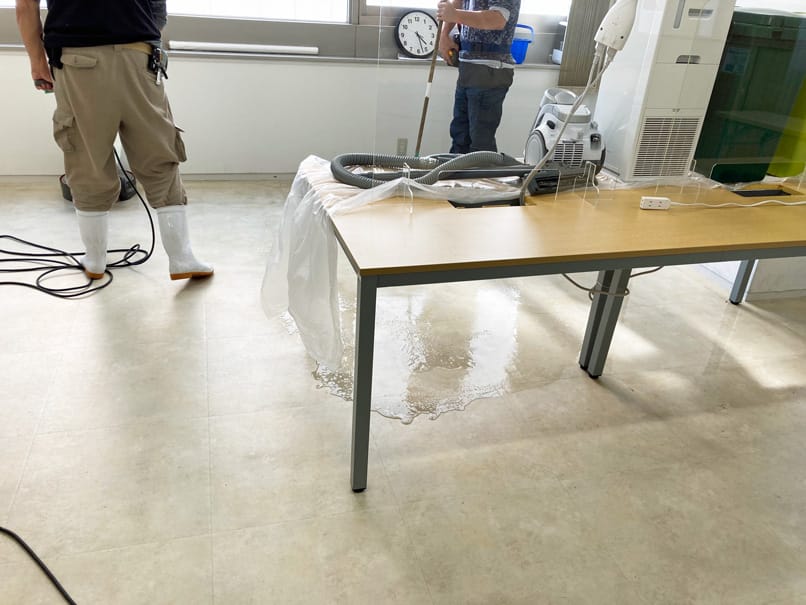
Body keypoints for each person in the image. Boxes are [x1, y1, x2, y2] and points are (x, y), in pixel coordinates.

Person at [15, 0, 213, 281]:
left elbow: (25, 5)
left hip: (77, 58)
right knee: (158, 152)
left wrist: (37, 62)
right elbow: (158, 8)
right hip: (139, 54)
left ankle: (95, 259)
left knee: (87, 160)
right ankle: (182, 257)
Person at [437, 0, 520, 154]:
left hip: (490, 70)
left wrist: (455, 15)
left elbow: (497, 19)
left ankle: (481, 169)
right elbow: (458, 2)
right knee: (460, 138)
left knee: (480, 144)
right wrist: (444, 35)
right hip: (468, 67)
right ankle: (457, 170)